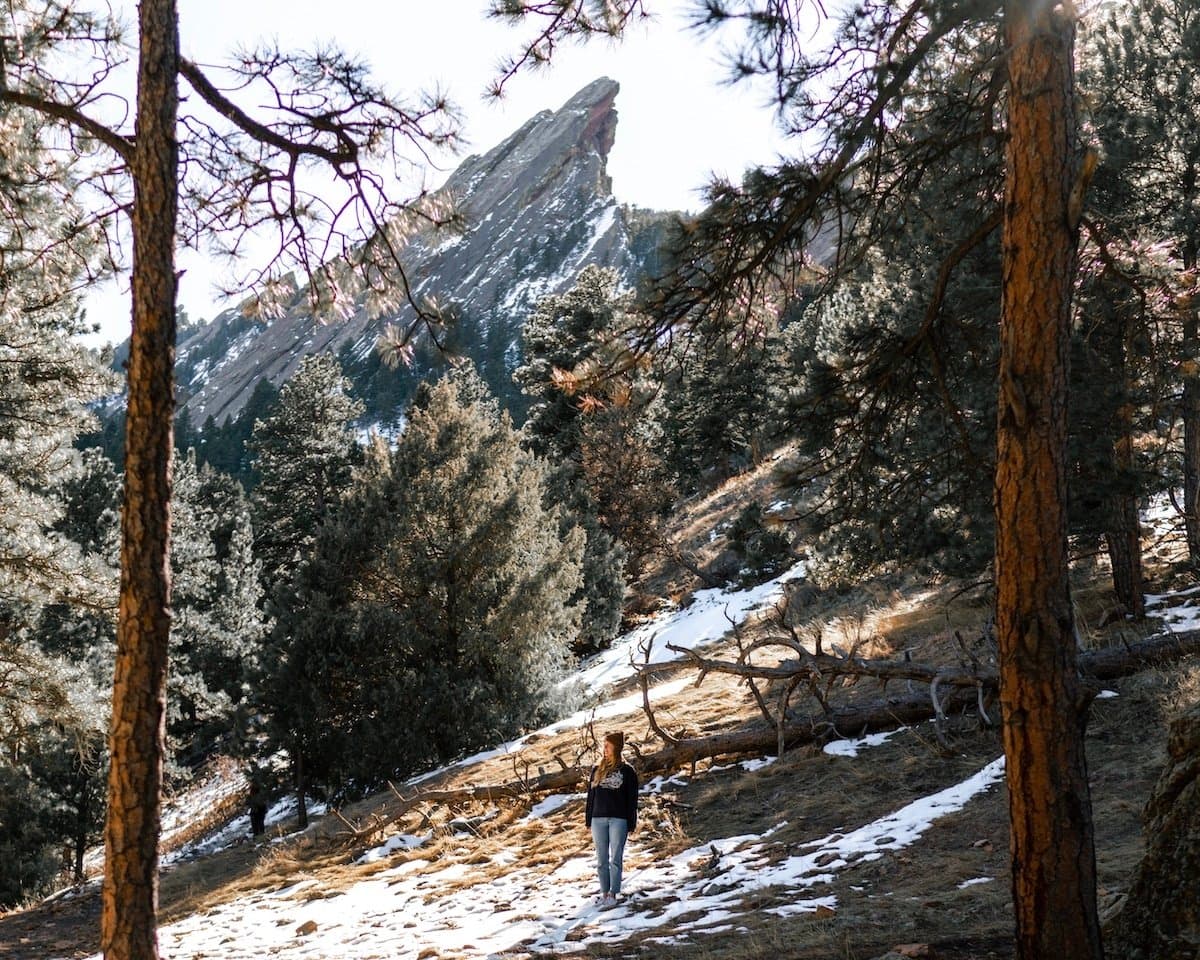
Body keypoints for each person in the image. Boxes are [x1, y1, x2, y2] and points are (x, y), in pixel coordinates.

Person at [584, 730, 638, 905]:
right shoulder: (596, 769)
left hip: (618, 819)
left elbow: (632, 799)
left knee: (615, 857)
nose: (604, 748)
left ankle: (614, 894)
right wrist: (588, 818)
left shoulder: (627, 771)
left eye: (608, 745)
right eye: (604, 745)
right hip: (597, 819)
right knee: (601, 860)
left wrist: (631, 821)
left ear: (616, 747)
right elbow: (591, 796)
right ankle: (604, 892)